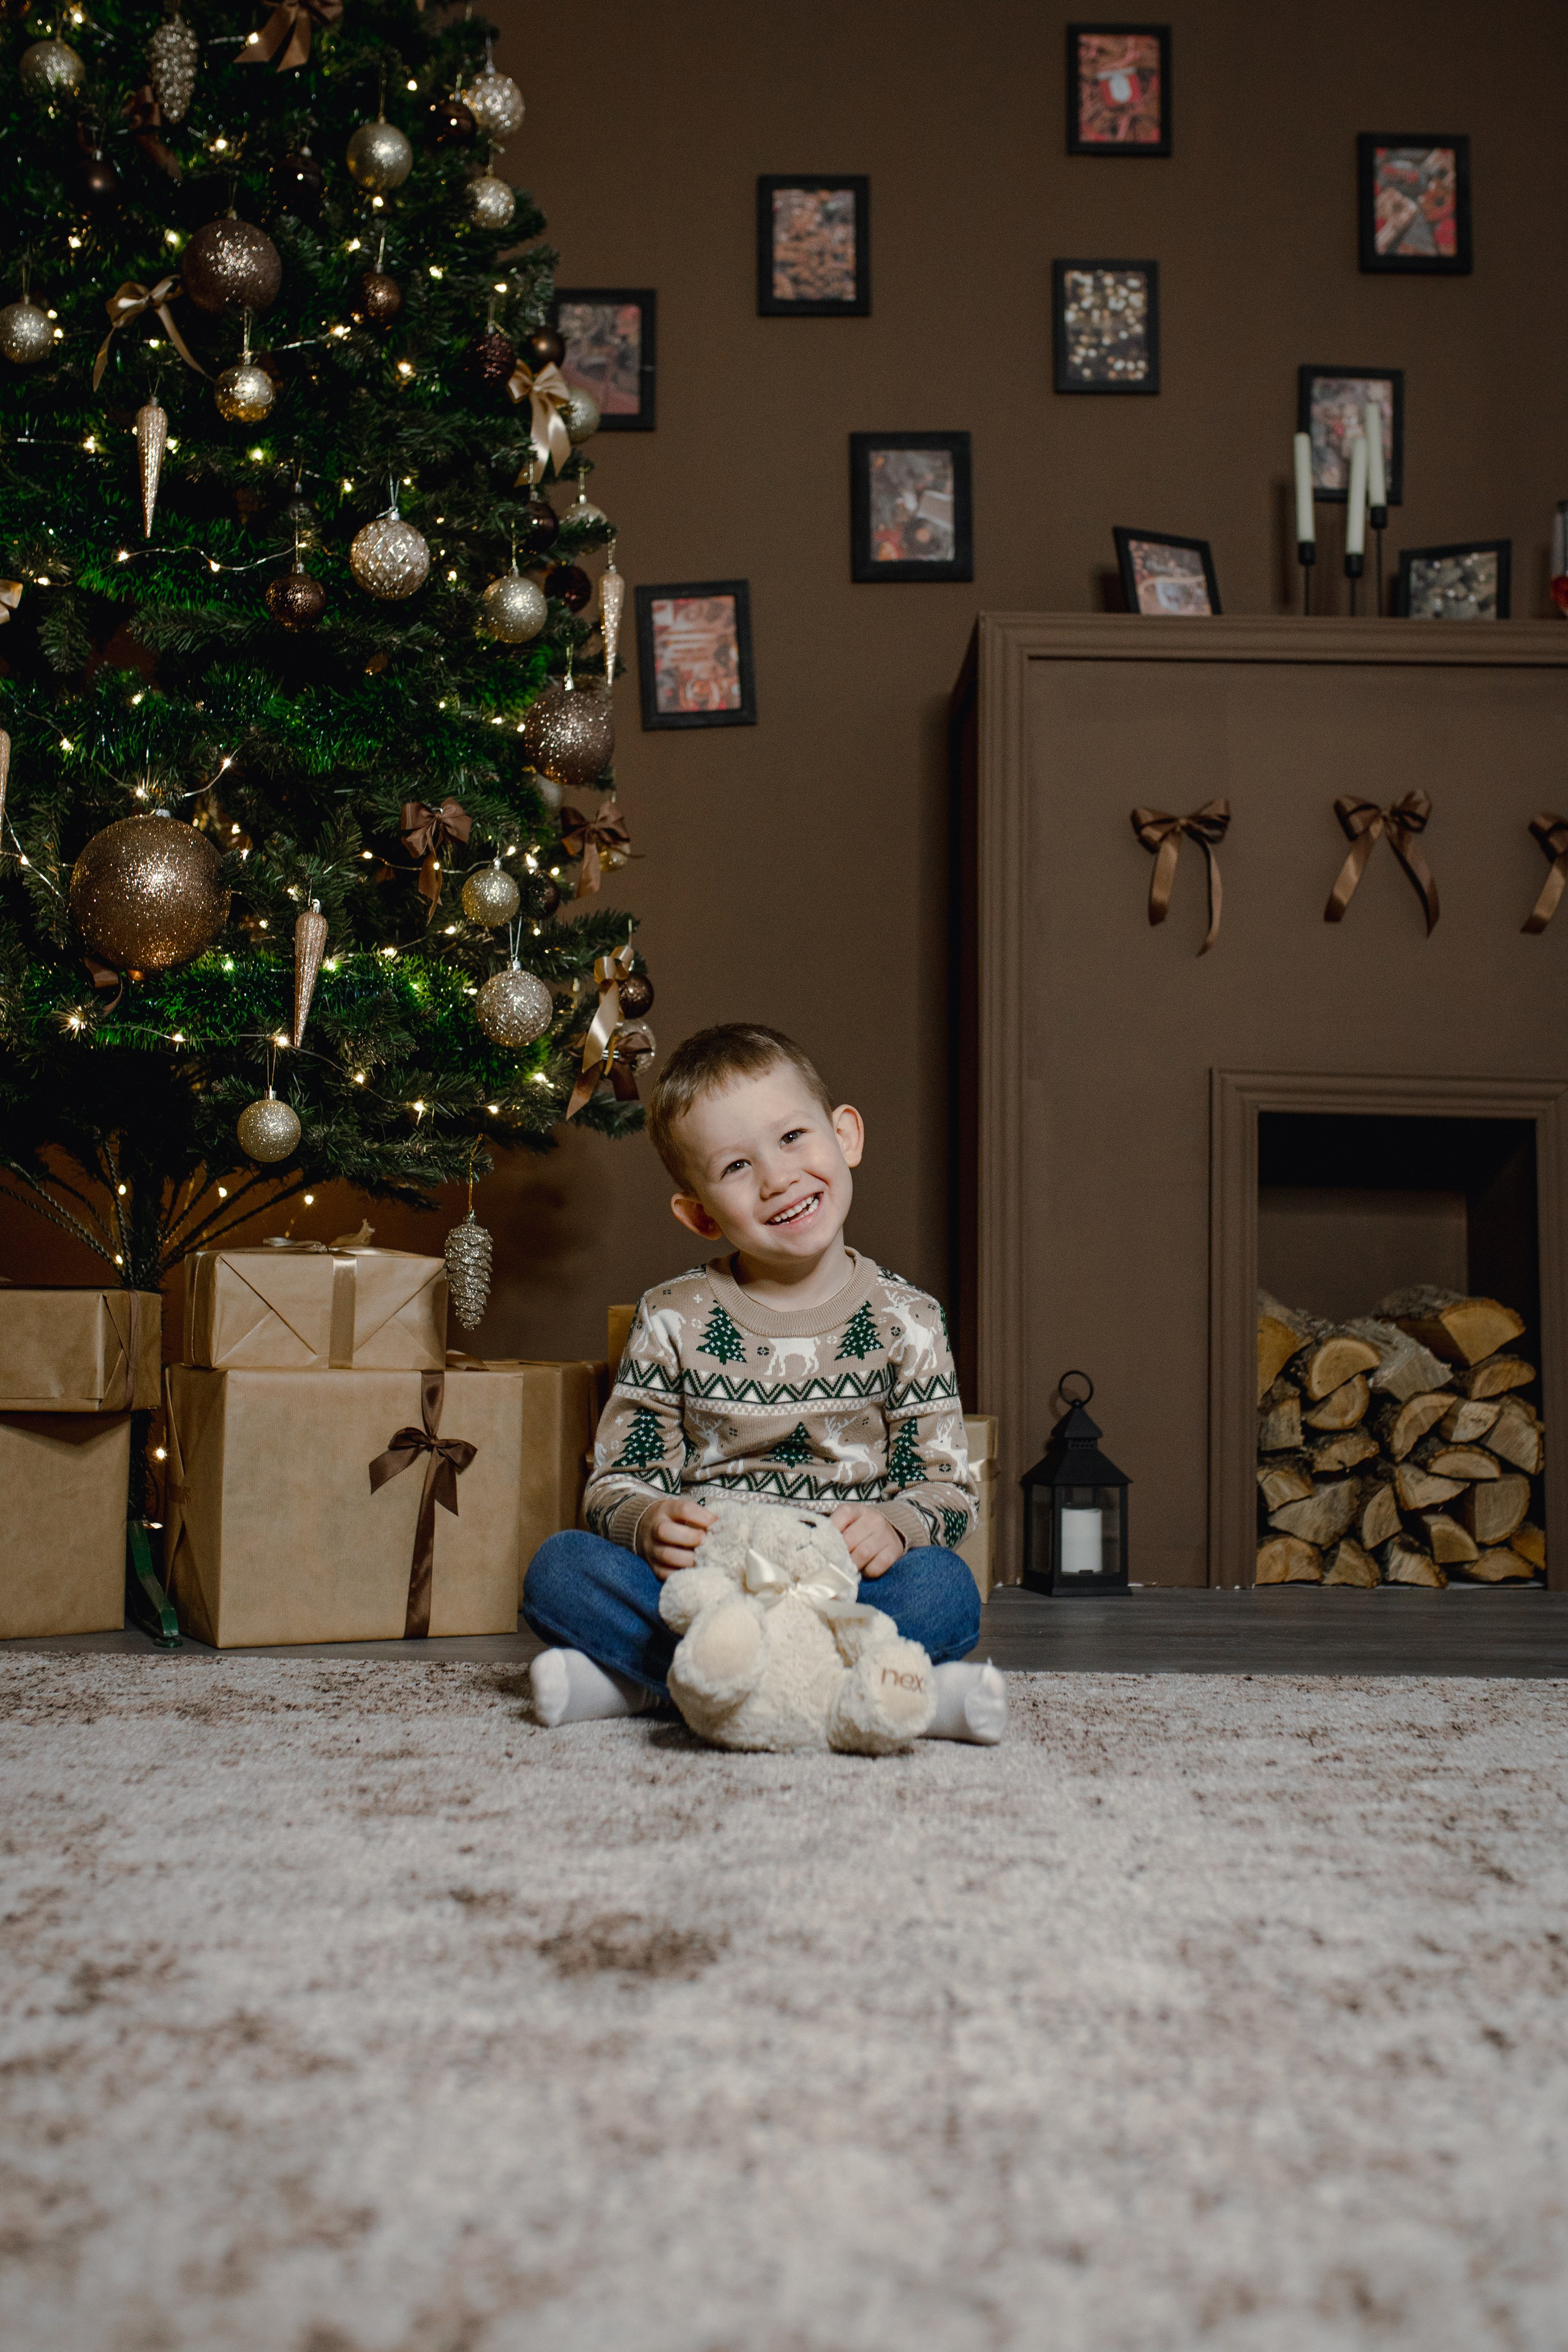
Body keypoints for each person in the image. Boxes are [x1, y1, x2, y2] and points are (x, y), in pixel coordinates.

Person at [524, 1022, 1005, 1744]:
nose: (778, 1179)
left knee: (944, 1589)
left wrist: (897, 1527)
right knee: (558, 1569)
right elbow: (614, 1484)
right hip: (710, 1591)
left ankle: (660, 1690)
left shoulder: (909, 1318)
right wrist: (647, 1522)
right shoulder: (671, 1317)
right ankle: (884, 1693)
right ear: (699, 1214)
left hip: (842, 1584)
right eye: (736, 1168)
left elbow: (945, 1489)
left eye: (790, 1139)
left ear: (844, 1135)